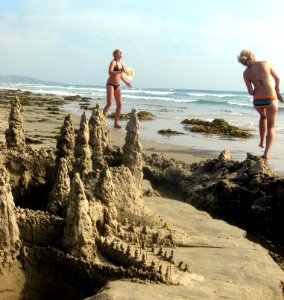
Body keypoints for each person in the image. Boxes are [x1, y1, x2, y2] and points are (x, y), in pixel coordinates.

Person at [238, 49, 282, 161]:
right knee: (271, 127)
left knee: (263, 117)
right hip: (270, 98)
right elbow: (277, 78)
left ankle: (262, 141)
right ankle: (266, 153)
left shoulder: (246, 73)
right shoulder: (265, 63)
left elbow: (250, 92)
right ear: (253, 55)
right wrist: (277, 88)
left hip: (258, 100)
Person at [103, 49, 132, 128]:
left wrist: (127, 83)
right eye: (120, 52)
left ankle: (116, 123)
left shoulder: (122, 63)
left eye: (121, 52)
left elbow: (121, 76)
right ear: (115, 54)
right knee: (109, 103)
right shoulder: (113, 62)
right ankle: (101, 119)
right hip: (110, 84)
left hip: (118, 85)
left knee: (119, 104)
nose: (121, 52)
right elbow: (110, 72)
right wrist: (121, 71)